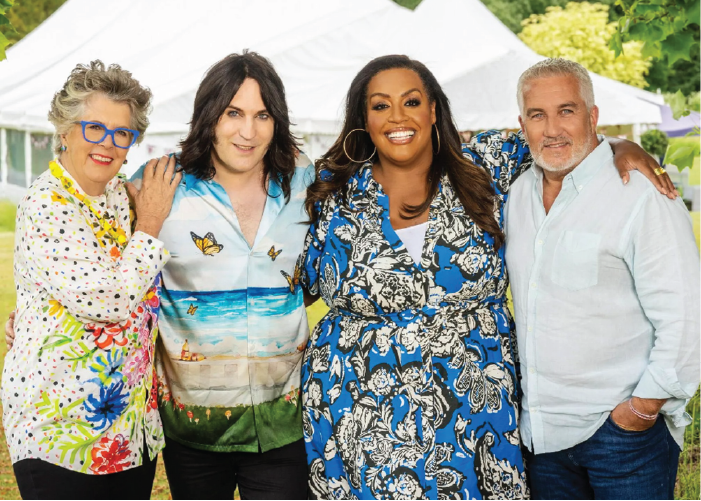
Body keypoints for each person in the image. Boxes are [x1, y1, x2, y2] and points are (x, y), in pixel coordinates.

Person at [298, 54, 674, 500]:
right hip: (360, 412)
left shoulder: (485, 163)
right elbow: (291, 280)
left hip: (475, 415)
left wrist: (619, 146)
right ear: (363, 118)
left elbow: (557, 134)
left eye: (411, 101)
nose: (397, 117)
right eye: (380, 106)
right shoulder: (332, 188)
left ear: (434, 109)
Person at [504, 58, 701, 500]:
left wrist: (642, 410)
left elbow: (687, 314)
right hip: (541, 438)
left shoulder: (641, 193)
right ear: (522, 124)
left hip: (623, 437)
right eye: (538, 115)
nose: (552, 128)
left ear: (593, 117)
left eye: (567, 111)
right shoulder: (515, 195)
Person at [129, 51, 312, 499]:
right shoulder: (157, 183)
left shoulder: (306, 180)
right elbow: (102, 259)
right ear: (209, 115)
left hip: (284, 421)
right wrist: (40, 313)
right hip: (193, 424)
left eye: (262, 115)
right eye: (233, 113)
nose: (248, 131)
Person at [2, 61, 181, 499]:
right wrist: (152, 223)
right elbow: (108, 301)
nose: (108, 143)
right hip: (62, 432)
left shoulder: (122, 195)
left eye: (122, 133)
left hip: (127, 429)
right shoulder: (48, 203)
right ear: (65, 130)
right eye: (94, 128)